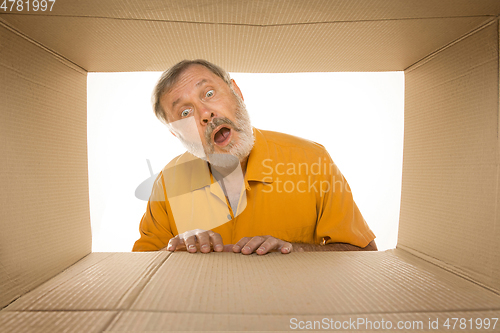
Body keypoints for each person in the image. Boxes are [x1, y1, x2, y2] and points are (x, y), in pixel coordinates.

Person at [132, 59, 377, 254]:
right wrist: (175, 250)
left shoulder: (312, 159)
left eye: (208, 94)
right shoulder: (167, 183)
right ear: (176, 135)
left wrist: (295, 249)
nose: (205, 114)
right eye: (185, 111)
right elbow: (141, 271)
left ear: (236, 91)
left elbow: (364, 252)